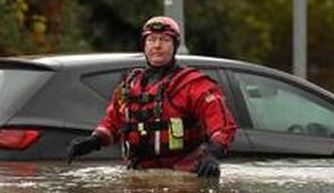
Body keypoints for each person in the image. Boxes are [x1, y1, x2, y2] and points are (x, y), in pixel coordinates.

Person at [66, 16, 237, 177]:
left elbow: (222, 126)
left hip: (185, 173)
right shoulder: (129, 86)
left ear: (175, 46)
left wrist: (212, 154)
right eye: (151, 40)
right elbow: (113, 122)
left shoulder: (193, 84)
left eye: (164, 40)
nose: (157, 45)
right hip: (139, 173)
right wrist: (93, 141)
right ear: (144, 45)